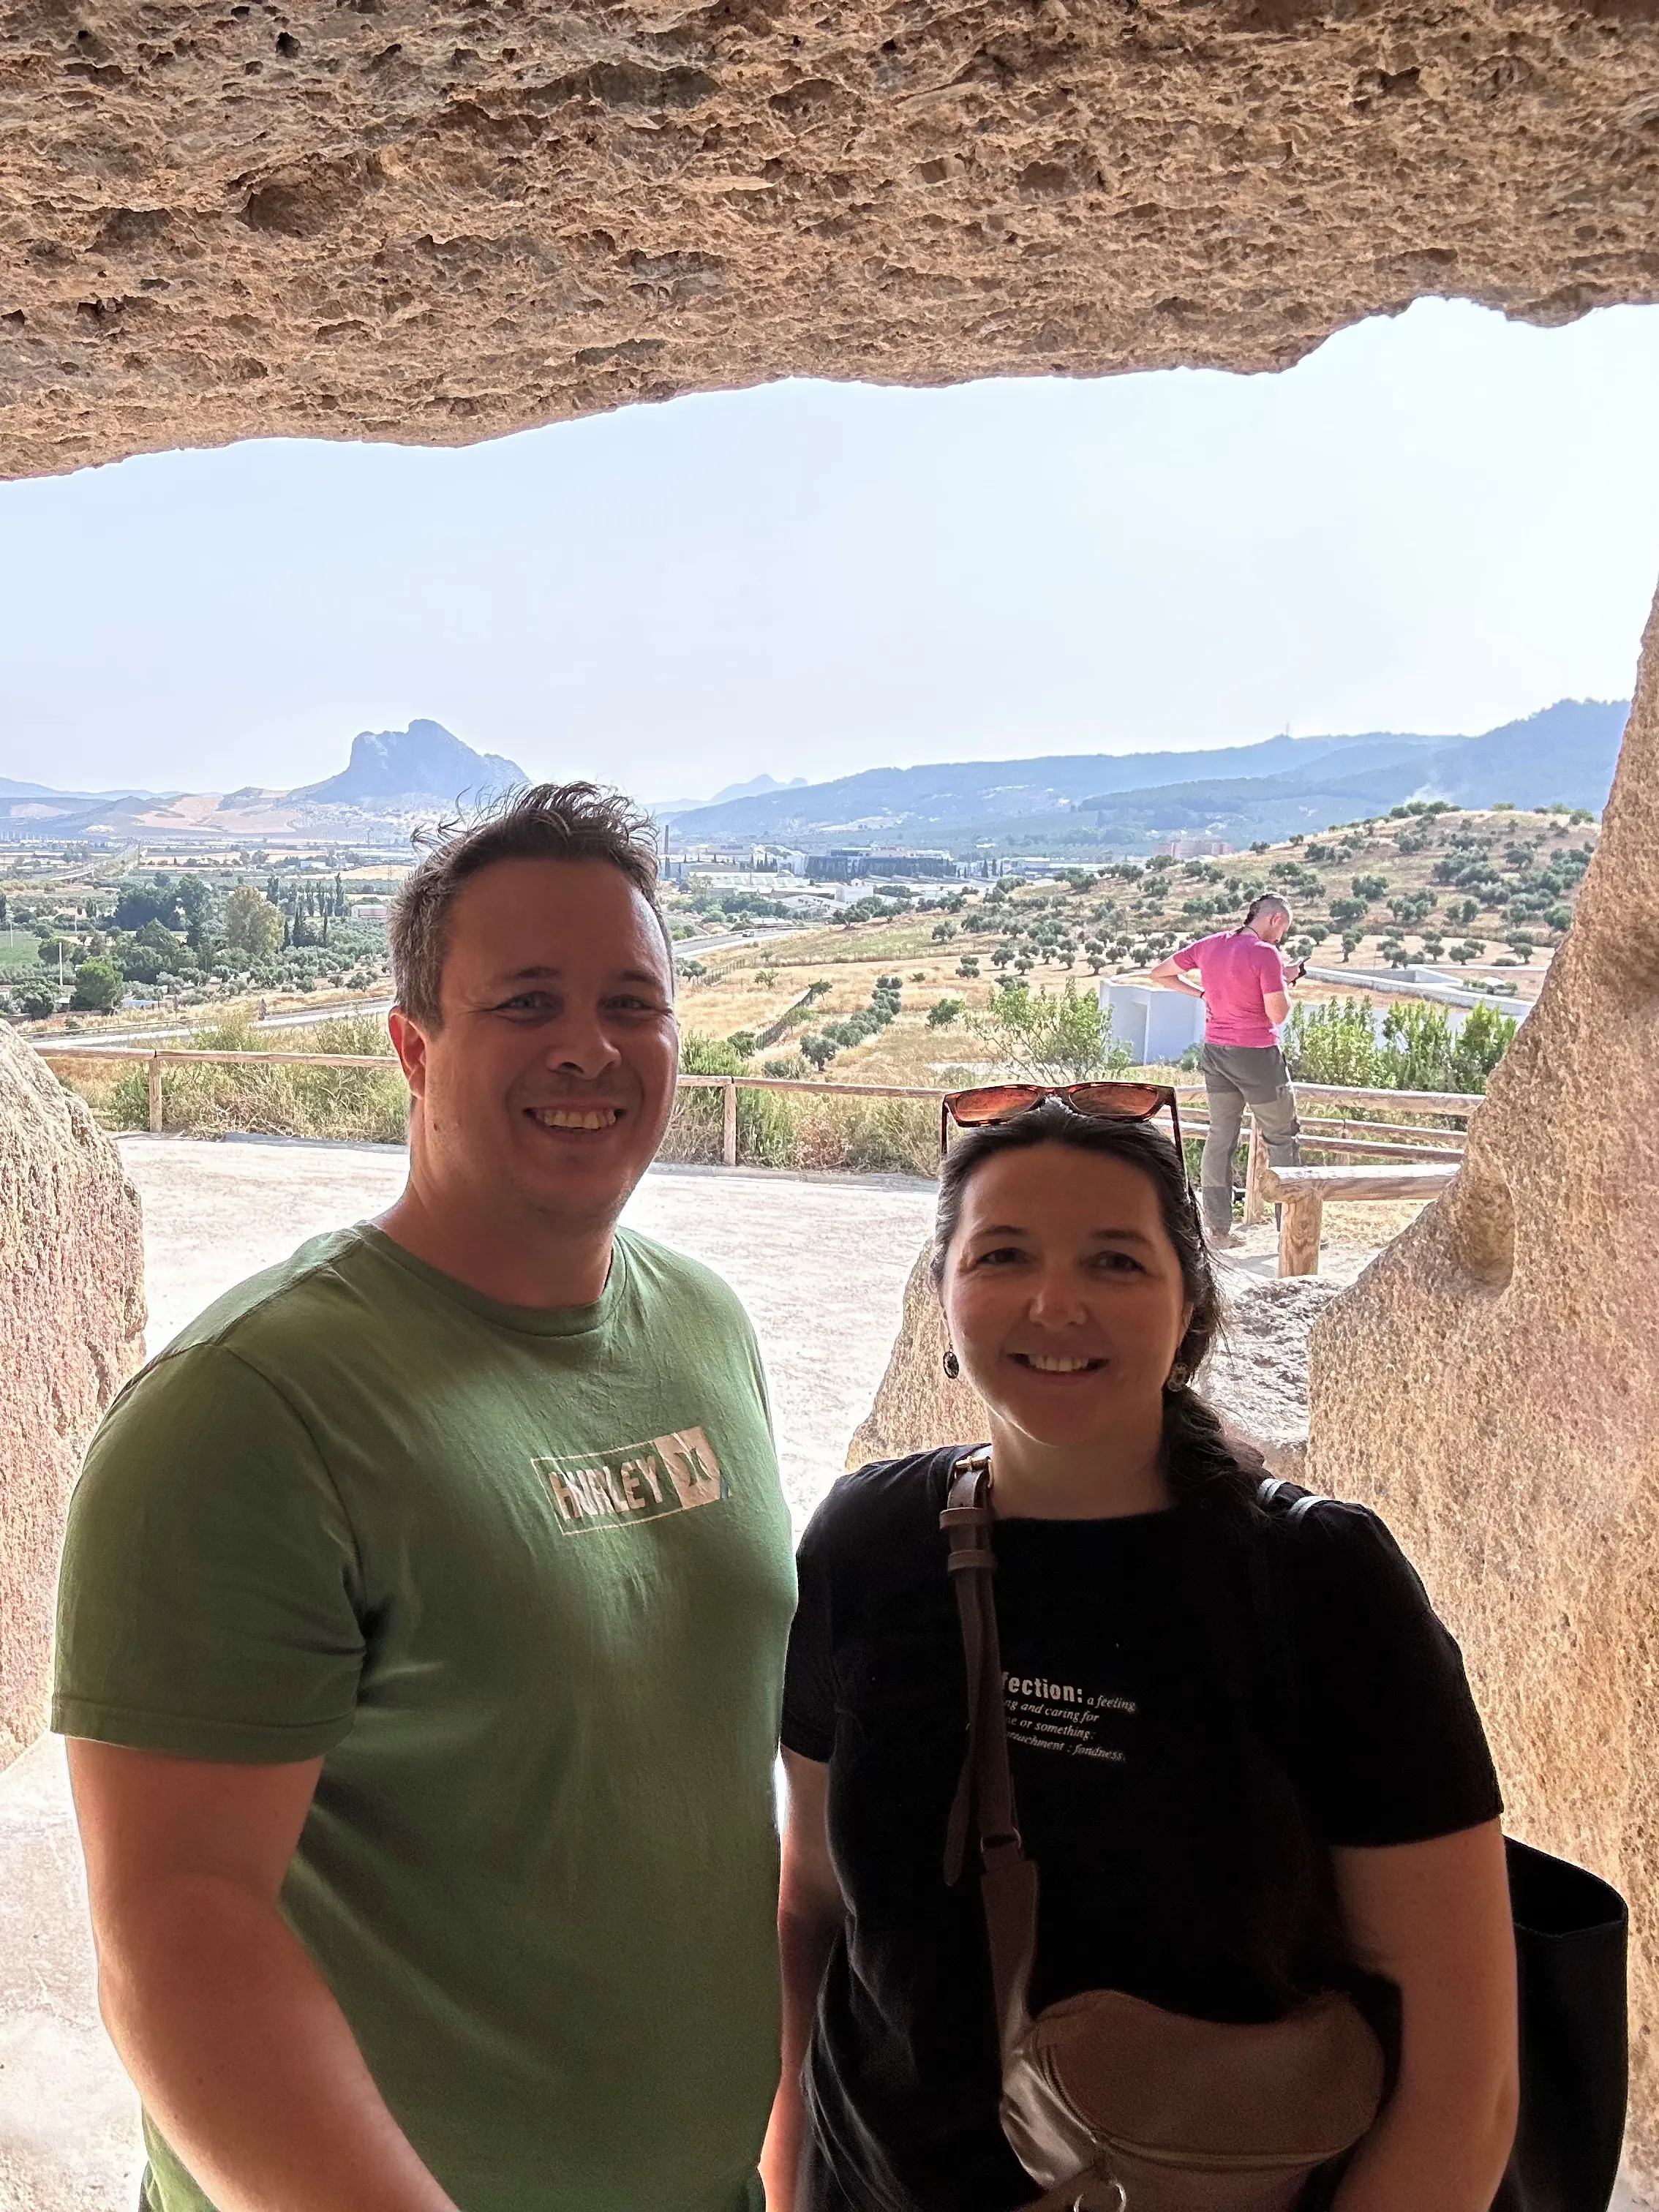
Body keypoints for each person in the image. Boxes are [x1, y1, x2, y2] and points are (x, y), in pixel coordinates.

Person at [54, 783, 796, 2212]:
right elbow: (176, 1936)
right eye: (526, 1002)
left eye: (632, 1002)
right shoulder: (250, 1413)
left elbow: (706, 1807)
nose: (589, 1046)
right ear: (413, 1045)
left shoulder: (706, 1330)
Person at [764, 1096, 1518, 2212]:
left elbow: (1465, 2074)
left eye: (1114, 1261)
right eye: (1003, 1255)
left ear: (1190, 1305)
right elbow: (814, 1909)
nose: (1056, 1302)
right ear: (943, 1295)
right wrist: (788, 2184)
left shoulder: (1315, 1582)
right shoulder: (869, 1542)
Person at [1148, 895, 1305, 1249]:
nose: (1281, 938)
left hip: (1216, 1052)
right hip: (1257, 1056)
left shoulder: (1211, 945)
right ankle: (1292, 1230)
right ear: (1276, 918)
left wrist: (1203, 994)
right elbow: (1277, 1014)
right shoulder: (1266, 953)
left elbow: (1160, 973)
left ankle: (1218, 1230)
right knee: (1282, 1137)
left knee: (1221, 1135)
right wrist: (1285, 983)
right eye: (1283, 929)